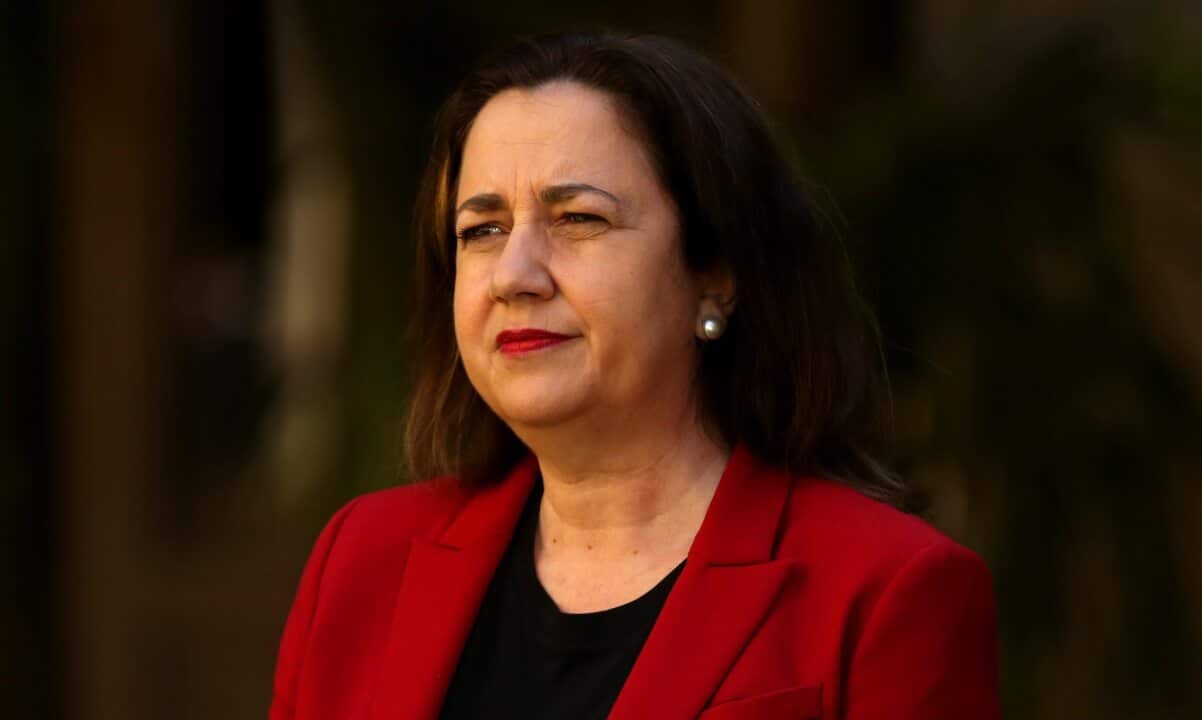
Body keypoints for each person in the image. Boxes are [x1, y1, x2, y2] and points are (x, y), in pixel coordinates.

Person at [269, 31, 999, 720]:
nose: (515, 274)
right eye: (482, 230)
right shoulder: (363, 560)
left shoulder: (887, 591)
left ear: (715, 275)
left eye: (579, 219)